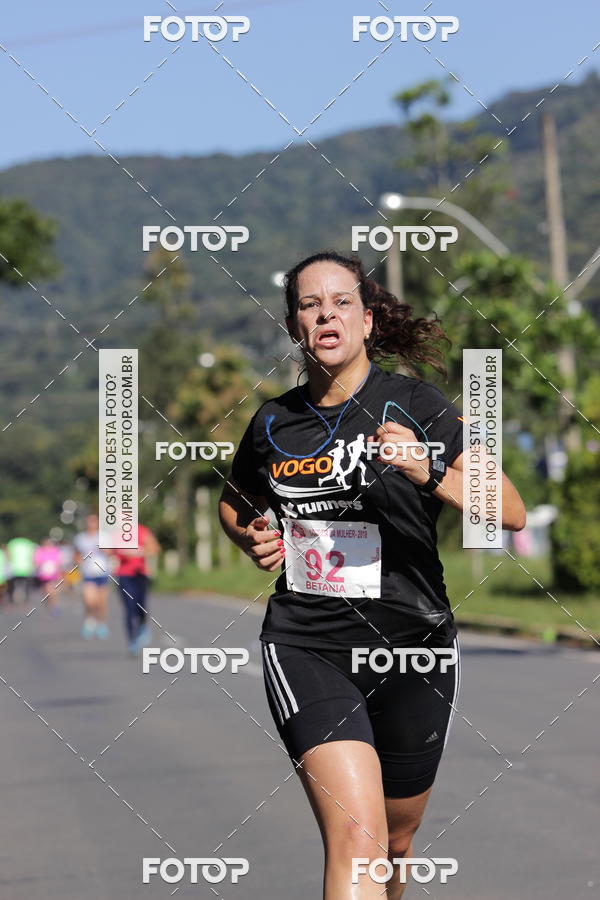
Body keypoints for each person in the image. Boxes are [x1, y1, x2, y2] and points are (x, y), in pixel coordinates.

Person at [219, 250, 526, 899]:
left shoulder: (417, 404)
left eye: (342, 302)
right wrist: (250, 536)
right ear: (295, 325)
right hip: (309, 643)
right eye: (310, 305)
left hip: (414, 646)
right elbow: (235, 502)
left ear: (367, 321)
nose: (326, 315)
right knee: (359, 838)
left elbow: (510, 508)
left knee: (395, 842)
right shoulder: (273, 421)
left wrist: (426, 470)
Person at [111, 523, 160, 654]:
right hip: (124, 575)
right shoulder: (117, 533)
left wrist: (139, 551)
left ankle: (143, 626)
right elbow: (112, 551)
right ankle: (132, 640)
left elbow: (154, 548)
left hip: (140, 574)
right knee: (129, 608)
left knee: (140, 605)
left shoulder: (141, 530)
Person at [73, 514, 112, 639]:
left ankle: (101, 623)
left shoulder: (104, 536)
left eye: (94, 522)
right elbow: (76, 555)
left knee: (101, 602)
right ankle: (89, 621)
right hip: (88, 573)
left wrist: (103, 548)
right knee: (89, 601)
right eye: (89, 522)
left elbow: (110, 552)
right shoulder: (81, 538)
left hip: (102, 572)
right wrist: (78, 560)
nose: (91, 524)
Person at [33, 538, 63, 611]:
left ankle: (54, 604)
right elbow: (36, 561)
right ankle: (50, 602)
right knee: (45, 590)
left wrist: (58, 571)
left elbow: (59, 562)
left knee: (51, 589)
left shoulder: (55, 551)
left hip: (53, 574)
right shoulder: (40, 551)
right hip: (43, 575)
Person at [6, 536, 37, 604]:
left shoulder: (12, 542)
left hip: (14, 568)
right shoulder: (28, 543)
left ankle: (11, 598)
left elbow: (8, 555)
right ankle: (26, 598)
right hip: (26, 567)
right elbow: (33, 555)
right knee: (27, 584)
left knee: (11, 584)